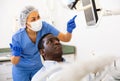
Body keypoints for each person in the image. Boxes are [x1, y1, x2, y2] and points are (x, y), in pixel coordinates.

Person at [9, 5, 77, 81]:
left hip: (37, 68)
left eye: (38, 17)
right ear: (25, 22)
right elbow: (14, 62)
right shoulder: (17, 36)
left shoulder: (45, 27)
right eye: (33, 19)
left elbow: (65, 38)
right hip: (21, 71)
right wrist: (16, 55)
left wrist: (69, 31)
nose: (37, 21)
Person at [31, 33, 117, 81]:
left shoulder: (78, 67)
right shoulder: (38, 78)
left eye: (57, 40)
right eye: (50, 42)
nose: (57, 42)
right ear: (42, 51)